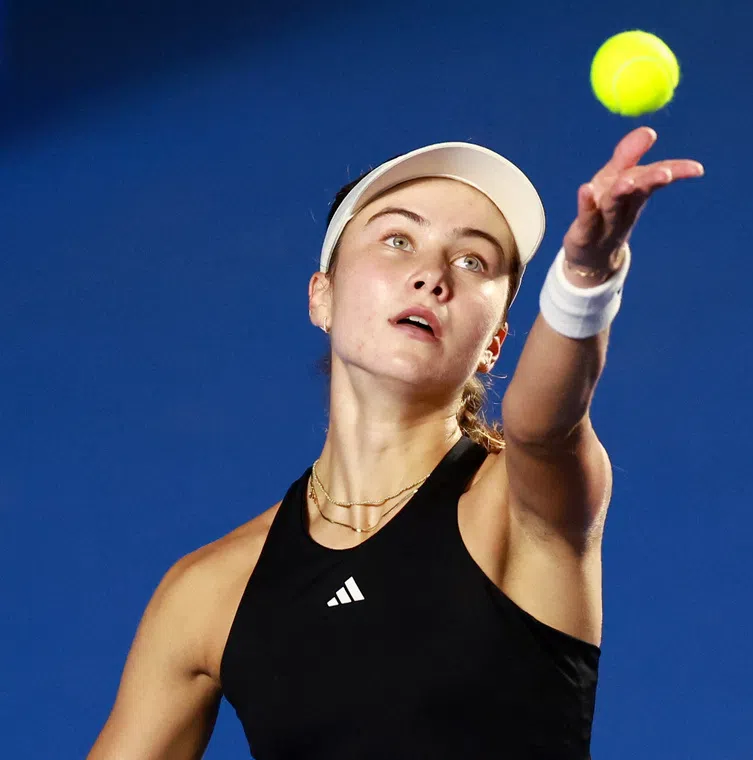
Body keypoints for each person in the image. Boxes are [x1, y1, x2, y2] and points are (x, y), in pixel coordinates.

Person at [88, 126, 703, 759]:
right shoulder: (209, 591)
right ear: (321, 297)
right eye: (397, 240)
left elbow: (543, 426)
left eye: (473, 260)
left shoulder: (519, 504)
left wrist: (585, 276)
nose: (432, 275)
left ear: (493, 343)